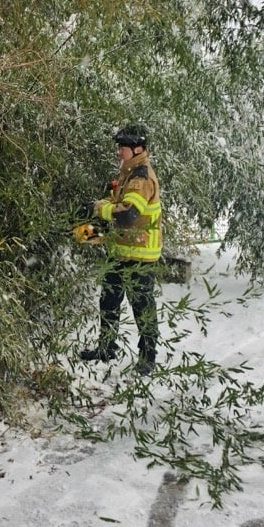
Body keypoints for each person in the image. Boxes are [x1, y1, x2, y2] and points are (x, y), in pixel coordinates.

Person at [77, 123, 162, 374]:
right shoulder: (129, 172)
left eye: (122, 147)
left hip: (139, 255)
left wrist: (96, 208)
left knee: (142, 308)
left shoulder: (141, 177)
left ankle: (147, 358)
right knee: (109, 301)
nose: (118, 151)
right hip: (121, 251)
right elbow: (119, 205)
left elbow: (127, 215)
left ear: (138, 149)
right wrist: (103, 204)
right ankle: (106, 347)